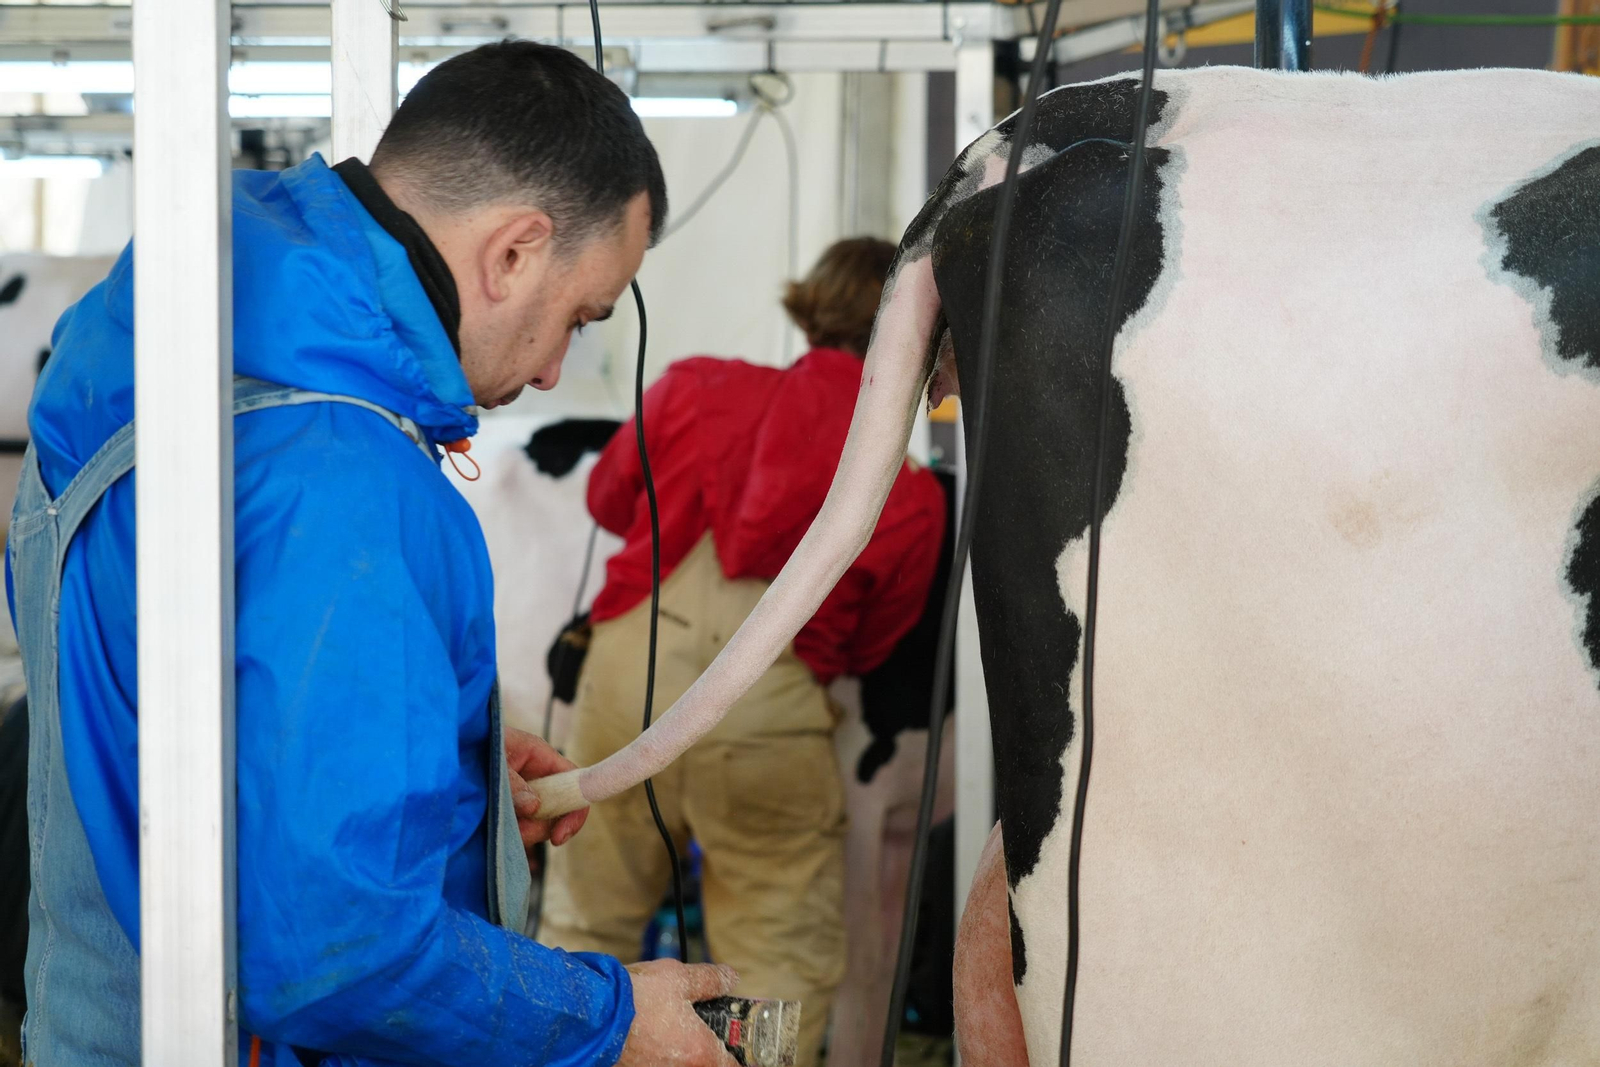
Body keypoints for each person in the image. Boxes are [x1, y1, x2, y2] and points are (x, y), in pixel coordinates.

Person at [4, 41, 741, 1067]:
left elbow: (172, 698)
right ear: (514, 252)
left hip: (95, 1014)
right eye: (579, 315)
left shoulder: (155, 332)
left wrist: (433, 770)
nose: (553, 370)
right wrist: (607, 1019)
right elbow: (341, 956)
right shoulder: (346, 472)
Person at [538, 237, 947, 1067]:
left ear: (813, 307)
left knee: (583, 931)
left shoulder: (692, 385)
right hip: (767, 707)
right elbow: (873, 643)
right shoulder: (906, 484)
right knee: (773, 964)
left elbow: (608, 498)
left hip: (627, 679)